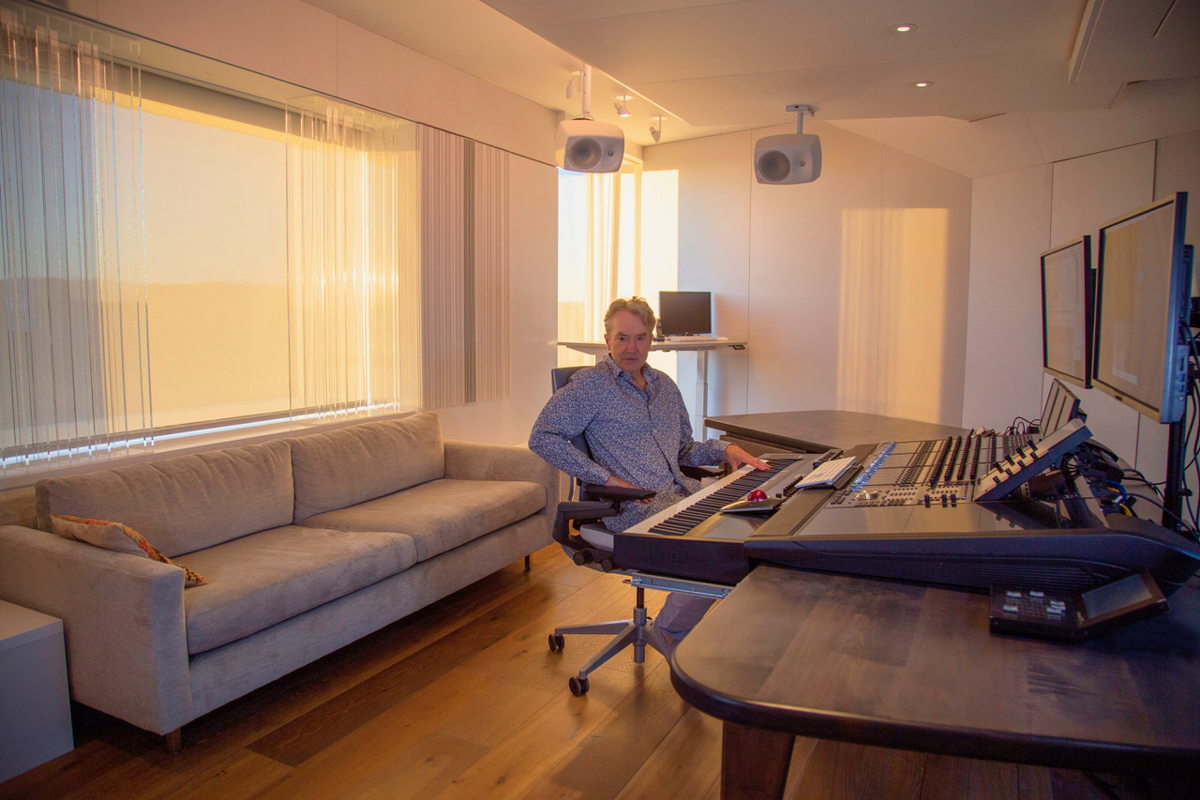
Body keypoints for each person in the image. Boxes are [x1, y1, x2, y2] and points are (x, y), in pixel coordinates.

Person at [529, 296, 768, 647]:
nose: (631, 348)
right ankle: (671, 633)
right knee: (715, 552)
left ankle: (690, 628)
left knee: (751, 527)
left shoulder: (665, 387)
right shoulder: (590, 386)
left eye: (640, 338)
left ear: (651, 340)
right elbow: (542, 437)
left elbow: (684, 449)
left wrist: (726, 448)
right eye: (622, 337)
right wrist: (604, 479)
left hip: (680, 496)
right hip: (633, 507)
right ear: (607, 338)